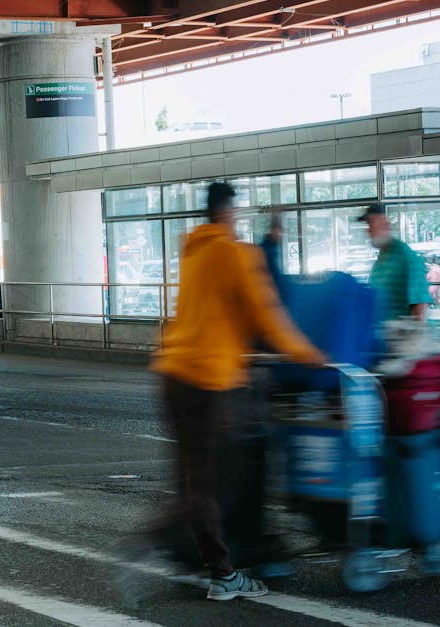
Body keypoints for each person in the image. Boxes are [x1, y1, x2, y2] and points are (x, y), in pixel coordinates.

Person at [148, 182, 326, 601]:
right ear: (229, 214)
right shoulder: (234, 253)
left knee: (192, 481)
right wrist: (310, 354)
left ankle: (195, 553)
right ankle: (222, 574)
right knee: (210, 482)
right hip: (208, 382)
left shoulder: (193, 251)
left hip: (171, 374)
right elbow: (267, 314)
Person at [359, 204, 430, 323]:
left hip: (403, 338)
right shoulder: (381, 260)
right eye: (367, 225)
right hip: (386, 337)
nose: (369, 230)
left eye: (371, 224)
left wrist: (412, 338)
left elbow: (419, 306)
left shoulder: (404, 256)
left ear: (384, 224)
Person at [259, 210, 288, 299]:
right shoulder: (266, 251)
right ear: (273, 230)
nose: (281, 235)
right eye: (279, 231)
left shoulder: (272, 250)